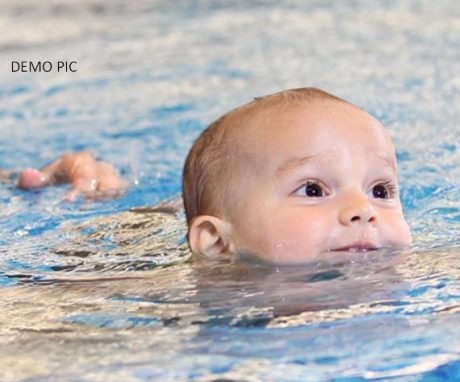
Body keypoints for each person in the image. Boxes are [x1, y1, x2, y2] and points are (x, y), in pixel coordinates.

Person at [7, 87, 412, 265]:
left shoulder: (419, 266)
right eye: (313, 189)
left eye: (380, 189)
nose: (363, 209)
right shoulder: (171, 293)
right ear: (218, 242)